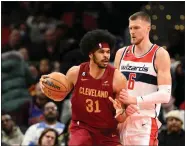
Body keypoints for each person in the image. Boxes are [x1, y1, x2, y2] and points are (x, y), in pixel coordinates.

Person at [40, 29, 130, 146]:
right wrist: (48, 86)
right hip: (81, 128)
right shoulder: (75, 73)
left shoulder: (118, 79)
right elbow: (59, 95)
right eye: (101, 52)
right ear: (91, 54)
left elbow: (122, 118)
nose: (106, 56)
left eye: (108, 52)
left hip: (107, 132)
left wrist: (120, 112)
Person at [113, 11, 172, 145]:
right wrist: (121, 108)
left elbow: (165, 95)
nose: (132, 32)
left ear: (148, 28)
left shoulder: (160, 54)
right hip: (121, 119)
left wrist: (134, 100)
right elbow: (114, 87)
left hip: (144, 121)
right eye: (130, 28)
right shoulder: (121, 53)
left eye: (136, 28)